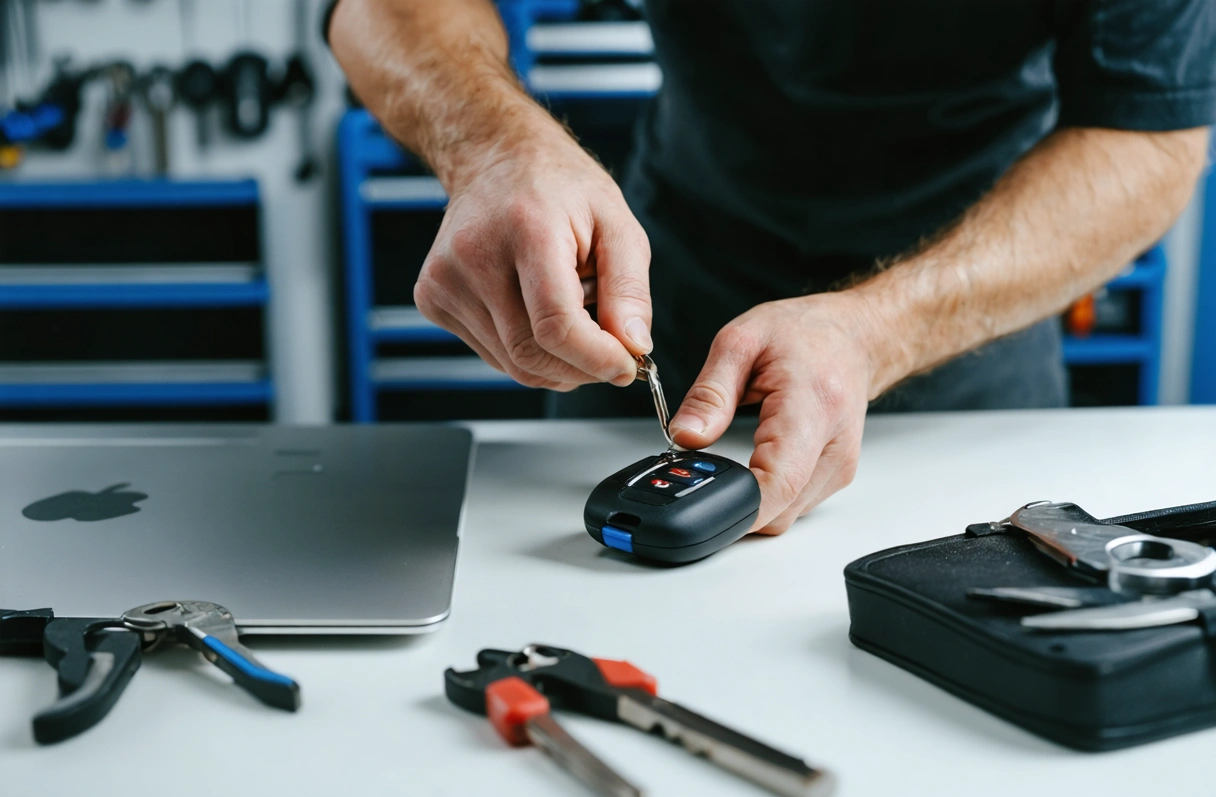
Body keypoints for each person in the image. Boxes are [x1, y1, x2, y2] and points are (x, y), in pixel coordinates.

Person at [328, 0, 1215, 534]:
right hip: (668, 299)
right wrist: (492, 146)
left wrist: (878, 329)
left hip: (968, 327)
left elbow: (1151, 134)